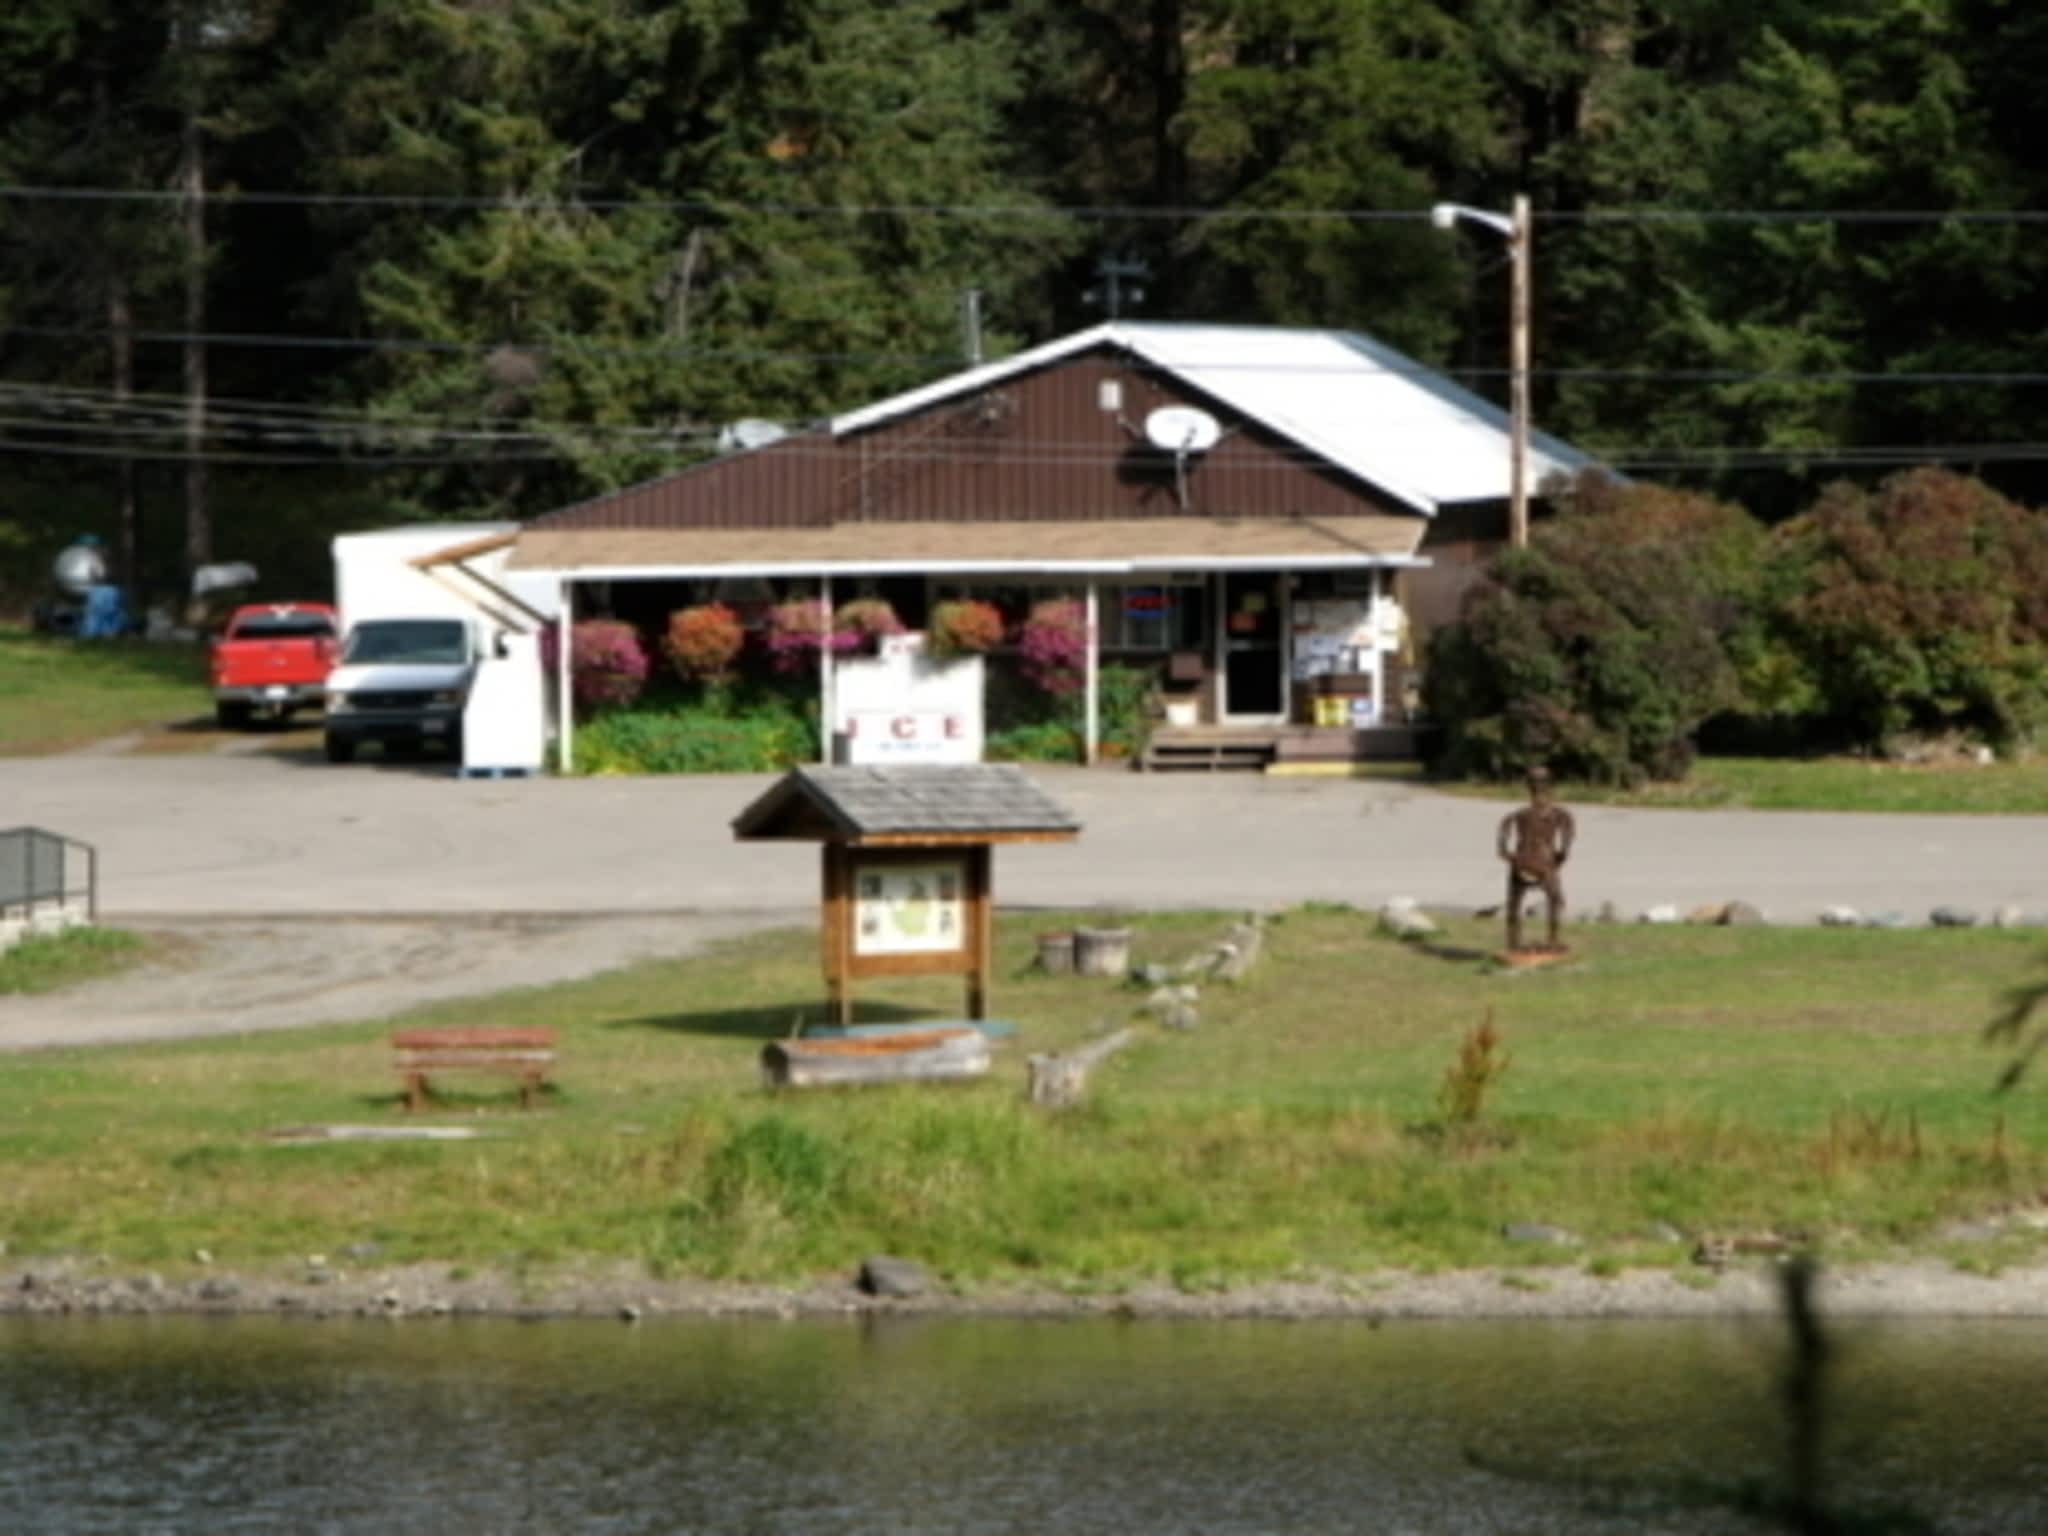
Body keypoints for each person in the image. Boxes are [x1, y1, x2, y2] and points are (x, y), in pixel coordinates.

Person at [1496, 766, 1575, 951]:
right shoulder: (1524, 814)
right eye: (1535, 782)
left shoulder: (1554, 814)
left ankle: (1547, 940)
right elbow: (1504, 829)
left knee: (1551, 899)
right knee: (1519, 902)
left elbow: (1568, 834)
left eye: (1541, 782)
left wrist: (1563, 852)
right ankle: (1517, 942)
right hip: (1534, 861)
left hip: (1534, 861)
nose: (1538, 787)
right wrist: (1505, 852)